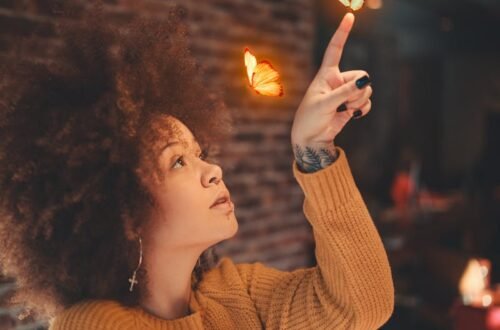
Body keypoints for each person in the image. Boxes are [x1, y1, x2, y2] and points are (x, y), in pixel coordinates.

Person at [0, 2, 394, 329]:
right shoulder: (92, 323)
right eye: (178, 161)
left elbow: (363, 305)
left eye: (199, 153)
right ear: (123, 209)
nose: (213, 171)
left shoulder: (238, 293)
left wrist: (315, 149)